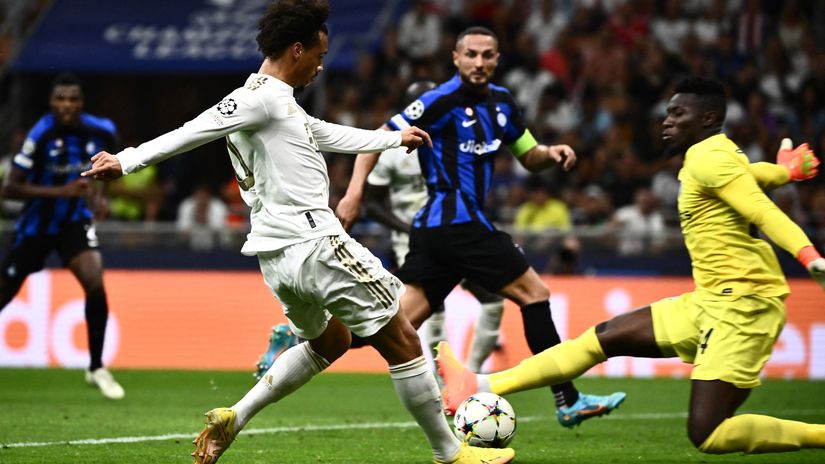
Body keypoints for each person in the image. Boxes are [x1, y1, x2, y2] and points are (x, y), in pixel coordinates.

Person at [82, 2, 513, 463]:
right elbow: (194, 130)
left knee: (332, 341)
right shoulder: (259, 99)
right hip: (315, 244)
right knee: (403, 338)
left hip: (277, 258)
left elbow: (323, 133)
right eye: (318, 56)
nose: (321, 66)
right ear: (296, 50)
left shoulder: (276, 101)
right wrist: (126, 160)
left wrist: (392, 138)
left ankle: (235, 416)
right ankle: (450, 452)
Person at [437, 76, 825, 455]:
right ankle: (479, 383)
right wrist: (786, 172)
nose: (667, 121)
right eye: (667, 113)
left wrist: (809, 256)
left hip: (743, 306)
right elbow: (751, 177)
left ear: (707, 119)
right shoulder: (715, 155)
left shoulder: (711, 158)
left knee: (708, 433)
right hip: (710, 301)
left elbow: (761, 211)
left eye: (678, 114)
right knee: (602, 338)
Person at [336, 26, 625, 428]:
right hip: (458, 224)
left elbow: (528, 155)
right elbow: (376, 140)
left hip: (437, 234)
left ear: (497, 59)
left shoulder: (502, 103)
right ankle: (569, 400)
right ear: (456, 58)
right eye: (470, 54)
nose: (479, 62)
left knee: (393, 324)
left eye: (487, 55)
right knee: (535, 294)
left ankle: (300, 340)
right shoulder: (439, 100)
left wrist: (551, 152)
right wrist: (353, 194)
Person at [0, 73, 124, 400]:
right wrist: (62, 191)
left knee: (95, 282)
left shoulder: (102, 130)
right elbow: (9, 188)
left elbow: (109, 169)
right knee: (4, 293)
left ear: (82, 102)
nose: (66, 105)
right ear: (51, 102)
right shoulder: (40, 134)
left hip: (74, 223)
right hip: (36, 227)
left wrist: (100, 197)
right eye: (60, 99)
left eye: (72, 99)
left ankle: (96, 367)